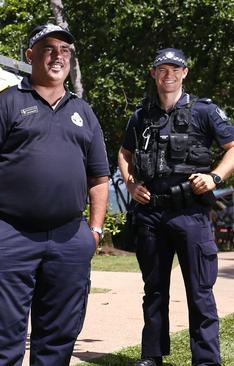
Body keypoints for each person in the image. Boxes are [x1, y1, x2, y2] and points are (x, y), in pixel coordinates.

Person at [0, 24, 109, 366]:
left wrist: (94, 231)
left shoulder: (84, 112)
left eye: (65, 50)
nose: (58, 55)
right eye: (49, 48)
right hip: (13, 236)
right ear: (30, 55)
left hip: (70, 238)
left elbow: (100, 178)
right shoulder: (5, 103)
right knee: (2, 337)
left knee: (59, 339)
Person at [118, 48, 234, 366]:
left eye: (174, 69)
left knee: (199, 291)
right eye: (162, 69)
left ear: (184, 73)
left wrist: (214, 177)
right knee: (154, 289)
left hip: (191, 214)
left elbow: (232, 147)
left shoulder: (204, 111)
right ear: (153, 73)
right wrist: (131, 185)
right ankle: (152, 356)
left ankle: (206, 360)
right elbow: (124, 154)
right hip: (152, 214)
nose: (168, 75)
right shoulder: (141, 115)